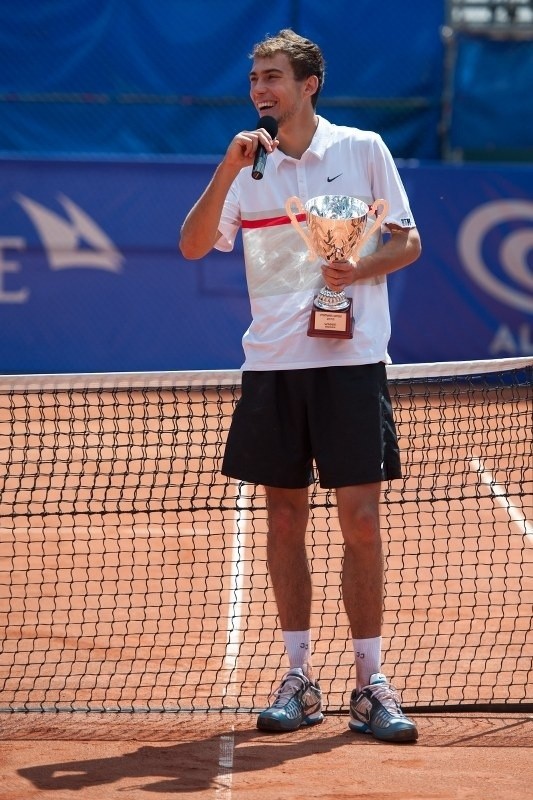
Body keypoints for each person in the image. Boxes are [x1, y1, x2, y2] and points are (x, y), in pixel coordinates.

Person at [179, 29, 422, 743]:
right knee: (283, 522)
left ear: (309, 83)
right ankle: (297, 678)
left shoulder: (361, 150)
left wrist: (358, 270)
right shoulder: (247, 168)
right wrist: (225, 169)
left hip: (350, 365)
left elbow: (405, 240)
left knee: (361, 523)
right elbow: (194, 243)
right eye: (254, 78)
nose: (260, 89)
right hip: (273, 367)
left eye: (273, 77)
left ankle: (370, 682)